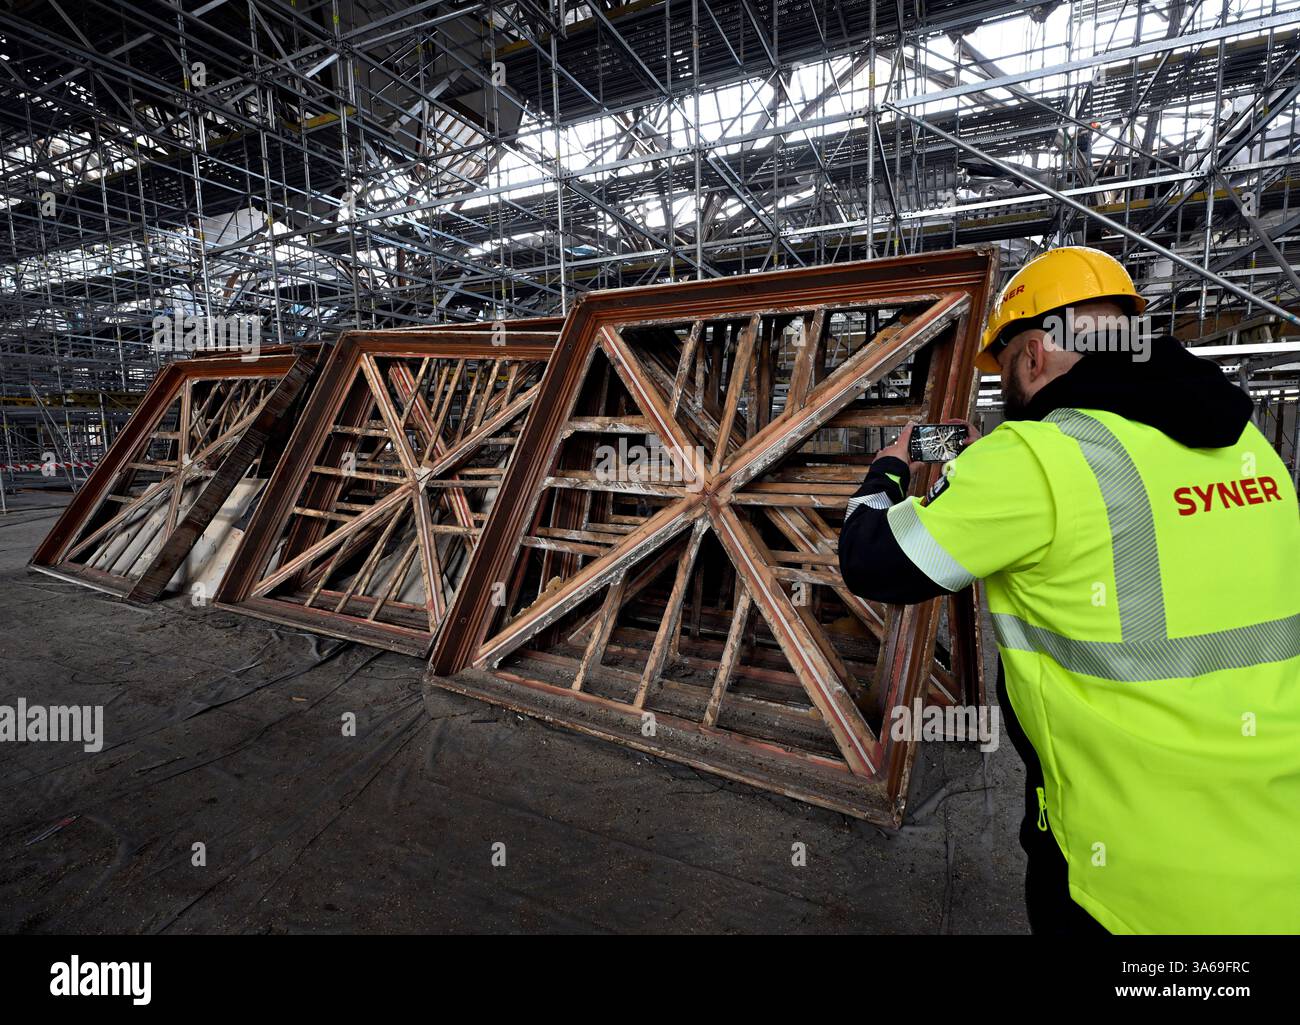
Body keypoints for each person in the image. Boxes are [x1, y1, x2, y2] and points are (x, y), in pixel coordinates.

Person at [838, 245, 1300, 934]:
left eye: (1005, 373)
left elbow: (873, 559)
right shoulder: (1249, 447)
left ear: (1032, 358)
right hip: (1274, 859)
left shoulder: (1033, 457)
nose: (1007, 392)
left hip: (1132, 885)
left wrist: (888, 473)